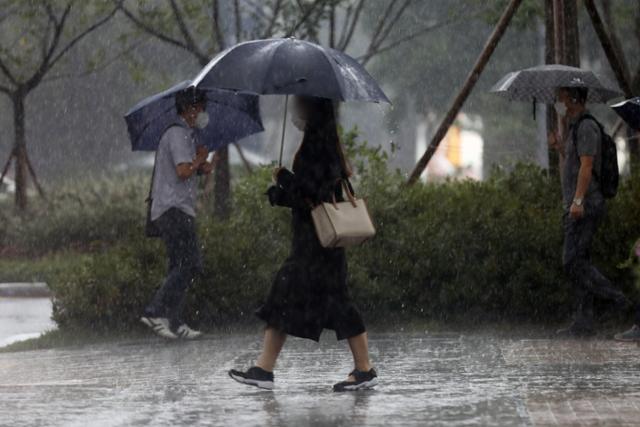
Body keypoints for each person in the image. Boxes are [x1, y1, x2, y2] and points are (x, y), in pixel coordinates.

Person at [228, 96, 378, 391]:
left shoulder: (317, 145)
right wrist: (286, 185)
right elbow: (314, 189)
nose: (296, 110)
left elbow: (312, 193)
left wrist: (282, 184)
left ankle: (265, 370)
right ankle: (266, 369)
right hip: (318, 246)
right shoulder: (323, 141)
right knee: (324, 301)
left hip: (314, 247)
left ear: (312, 108)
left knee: (290, 297)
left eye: (300, 104)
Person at [549, 86, 640, 339]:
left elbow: (587, 167)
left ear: (576, 100)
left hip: (586, 205)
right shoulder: (576, 128)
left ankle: (616, 299)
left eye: (564, 99)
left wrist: (578, 201)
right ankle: (584, 321)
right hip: (576, 205)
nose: (561, 104)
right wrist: (559, 147)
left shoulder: (587, 127)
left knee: (572, 261)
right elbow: (575, 162)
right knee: (581, 261)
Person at [140, 87, 215, 340]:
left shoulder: (185, 135)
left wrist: (204, 165)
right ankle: (154, 312)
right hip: (174, 209)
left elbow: (188, 170)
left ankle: (174, 320)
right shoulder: (178, 134)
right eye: (200, 107)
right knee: (190, 263)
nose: (202, 112)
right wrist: (198, 160)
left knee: (178, 265)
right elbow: (183, 171)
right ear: (189, 108)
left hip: (174, 208)